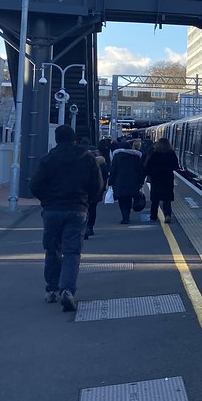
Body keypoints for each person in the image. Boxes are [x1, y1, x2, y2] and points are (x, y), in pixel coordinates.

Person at [29, 124, 104, 312]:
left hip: (52, 210)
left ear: (56, 139)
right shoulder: (87, 158)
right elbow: (97, 185)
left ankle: (52, 290)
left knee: (52, 249)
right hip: (77, 209)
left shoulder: (48, 159)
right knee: (72, 251)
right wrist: (87, 201)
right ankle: (67, 291)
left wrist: (46, 200)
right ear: (74, 138)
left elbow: (35, 185)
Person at [108, 138, 145, 224]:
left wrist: (110, 181)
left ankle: (124, 216)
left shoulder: (117, 157)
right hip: (133, 181)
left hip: (119, 181)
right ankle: (127, 215)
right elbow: (140, 170)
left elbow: (113, 170)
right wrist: (141, 182)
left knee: (121, 199)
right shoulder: (136, 157)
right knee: (128, 198)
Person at [143, 137, 180, 223]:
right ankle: (167, 215)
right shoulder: (171, 153)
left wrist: (151, 173)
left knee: (155, 199)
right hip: (168, 179)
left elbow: (147, 166)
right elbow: (176, 166)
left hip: (156, 179)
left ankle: (153, 216)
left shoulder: (154, 154)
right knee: (167, 199)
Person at [85, 146, 109, 239]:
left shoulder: (84, 163)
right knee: (92, 209)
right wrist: (102, 188)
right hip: (96, 190)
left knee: (84, 209)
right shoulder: (102, 163)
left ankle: (85, 227)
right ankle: (90, 227)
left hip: (84, 190)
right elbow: (105, 177)